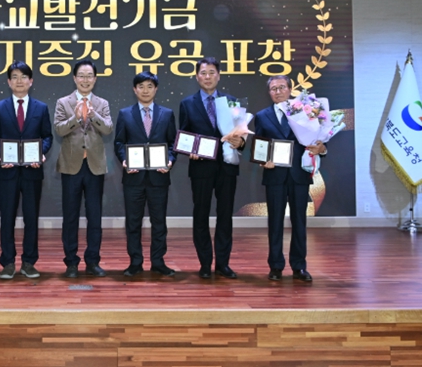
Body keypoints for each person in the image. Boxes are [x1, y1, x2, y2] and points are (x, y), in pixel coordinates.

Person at [254, 75, 326, 282]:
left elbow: (318, 140)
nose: (278, 91)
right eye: (273, 88)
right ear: (269, 92)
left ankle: (299, 266)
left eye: (282, 87)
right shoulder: (262, 116)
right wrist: (262, 160)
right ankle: (275, 266)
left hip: (299, 174)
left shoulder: (305, 112)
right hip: (274, 175)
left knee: (299, 221)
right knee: (275, 222)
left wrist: (321, 148)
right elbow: (259, 145)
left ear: (290, 89)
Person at [179, 57, 244, 280]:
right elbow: (183, 135)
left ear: (219, 75)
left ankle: (223, 264)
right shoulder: (187, 103)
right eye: (203, 73)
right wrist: (189, 150)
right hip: (201, 168)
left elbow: (241, 134)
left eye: (211, 72)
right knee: (201, 215)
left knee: (225, 216)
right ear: (197, 77)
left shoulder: (232, 102)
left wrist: (240, 143)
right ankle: (205, 263)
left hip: (227, 167)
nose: (207, 77)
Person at [0, 61, 53, 280]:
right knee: (7, 218)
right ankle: (7, 262)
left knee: (31, 218)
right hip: (7, 172)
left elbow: (47, 136)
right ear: (8, 82)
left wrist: (41, 153)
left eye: (24, 77)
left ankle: (29, 262)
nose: (19, 81)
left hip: (32, 172)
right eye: (14, 77)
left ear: (31, 81)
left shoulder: (41, 108)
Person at [54, 60, 113, 278]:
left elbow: (108, 129)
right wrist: (76, 117)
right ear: (74, 78)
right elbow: (59, 129)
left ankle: (93, 261)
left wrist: (93, 115)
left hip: (94, 166)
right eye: (81, 75)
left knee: (94, 217)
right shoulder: (63, 102)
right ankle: (71, 262)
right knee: (70, 217)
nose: (85, 80)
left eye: (89, 76)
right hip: (71, 166)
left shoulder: (102, 103)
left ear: (95, 79)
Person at [114, 71, 177, 277]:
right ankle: (135, 262)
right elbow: (119, 142)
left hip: (159, 177)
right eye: (141, 86)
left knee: (159, 222)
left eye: (150, 86)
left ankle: (158, 261)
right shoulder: (125, 114)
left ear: (156, 89)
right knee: (133, 222)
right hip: (133, 177)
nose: (145, 90)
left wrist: (170, 160)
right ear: (135, 90)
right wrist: (124, 160)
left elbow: (173, 144)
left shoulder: (167, 114)